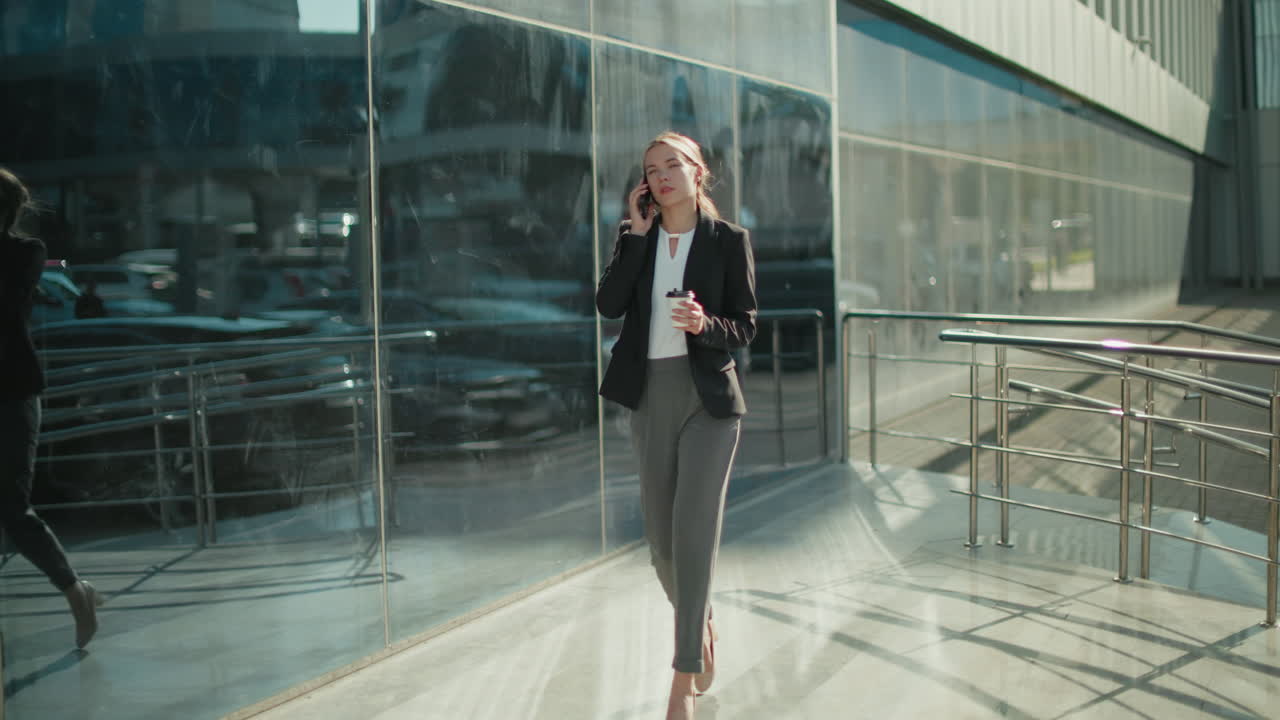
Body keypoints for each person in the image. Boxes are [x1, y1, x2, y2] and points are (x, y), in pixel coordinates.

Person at [596, 132, 757, 720]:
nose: (661, 176)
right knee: (661, 544)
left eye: (672, 165)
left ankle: (682, 676)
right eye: (651, 170)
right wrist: (635, 238)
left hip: (709, 402)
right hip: (651, 396)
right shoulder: (636, 238)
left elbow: (744, 326)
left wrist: (703, 322)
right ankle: (702, 620)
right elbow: (608, 304)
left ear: (697, 172)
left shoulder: (728, 240)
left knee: (693, 539)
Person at [0, 167, 103, 650]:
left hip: (12, 391)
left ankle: (74, 591)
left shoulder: (25, 252)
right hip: (14, 389)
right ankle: (75, 587)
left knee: (12, 508)